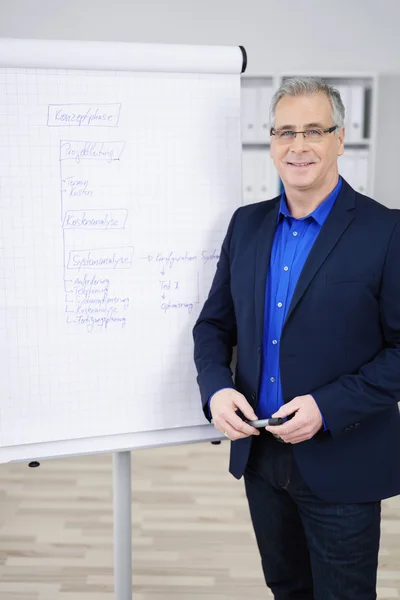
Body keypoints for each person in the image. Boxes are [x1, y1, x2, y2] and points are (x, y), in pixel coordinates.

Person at [192, 76, 400, 600]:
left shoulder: (386, 231)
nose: (299, 145)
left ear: (340, 138)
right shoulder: (246, 225)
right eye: (286, 132)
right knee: (287, 589)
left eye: (314, 130)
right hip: (262, 458)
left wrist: (326, 407)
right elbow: (213, 326)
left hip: (342, 460)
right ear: (271, 143)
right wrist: (216, 390)